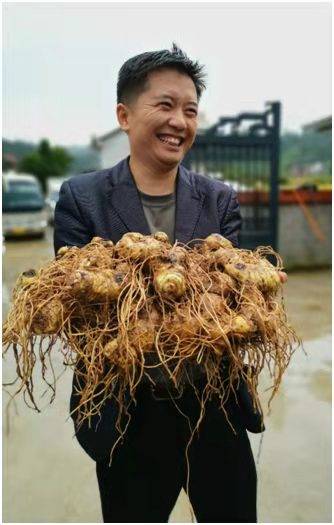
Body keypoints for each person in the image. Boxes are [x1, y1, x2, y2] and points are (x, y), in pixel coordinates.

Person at [54, 43, 286, 523]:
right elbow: (73, 306)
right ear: (124, 114)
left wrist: (251, 301)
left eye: (190, 110)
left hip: (215, 404)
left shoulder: (220, 199)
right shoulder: (82, 196)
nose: (179, 121)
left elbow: (232, 299)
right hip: (127, 410)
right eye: (164, 105)